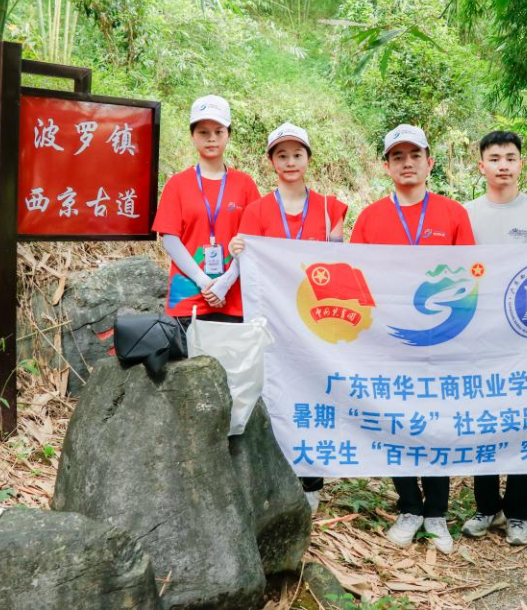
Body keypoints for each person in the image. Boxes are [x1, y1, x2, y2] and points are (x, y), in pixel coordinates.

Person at [350, 123, 475, 554]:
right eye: (398, 157)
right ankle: (409, 507)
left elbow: (470, 277)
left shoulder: (453, 214)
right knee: (396, 419)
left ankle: (436, 513)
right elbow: (356, 278)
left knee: (436, 422)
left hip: (441, 337)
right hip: (388, 339)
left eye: (415, 155)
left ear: (429, 162)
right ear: (386, 166)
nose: (407, 164)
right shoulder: (370, 217)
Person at [228, 122, 349, 513]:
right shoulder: (257, 211)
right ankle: (277, 476)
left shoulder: (329, 208)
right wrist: (235, 252)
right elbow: (246, 262)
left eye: (297, 154)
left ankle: (312, 483)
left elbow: (338, 261)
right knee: (275, 392)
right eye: (282, 155)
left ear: (308, 159)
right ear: (271, 162)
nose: (290, 162)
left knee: (314, 393)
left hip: (317, 320)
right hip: (274, 320)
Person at [460, 130, 527, 546]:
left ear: (521, 164)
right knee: (482, 420)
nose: (503, 165)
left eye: (511, 157)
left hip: (523, 335)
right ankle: (486, 506)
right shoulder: (464, 214)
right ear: (481, 165)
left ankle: (518, 511)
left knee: (522, 421)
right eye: (495, 158)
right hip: (477, 336)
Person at [152, 95, 260, 325]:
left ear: (228, 135)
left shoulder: (245, 184)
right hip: (188, 299)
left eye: (218, 132)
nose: (211, 138)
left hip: (235, 297)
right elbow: (170, 240)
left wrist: (225, 282)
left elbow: (253, 241)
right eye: (203, 132)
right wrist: (204, 282)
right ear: (193, 135)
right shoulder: (177, 184)